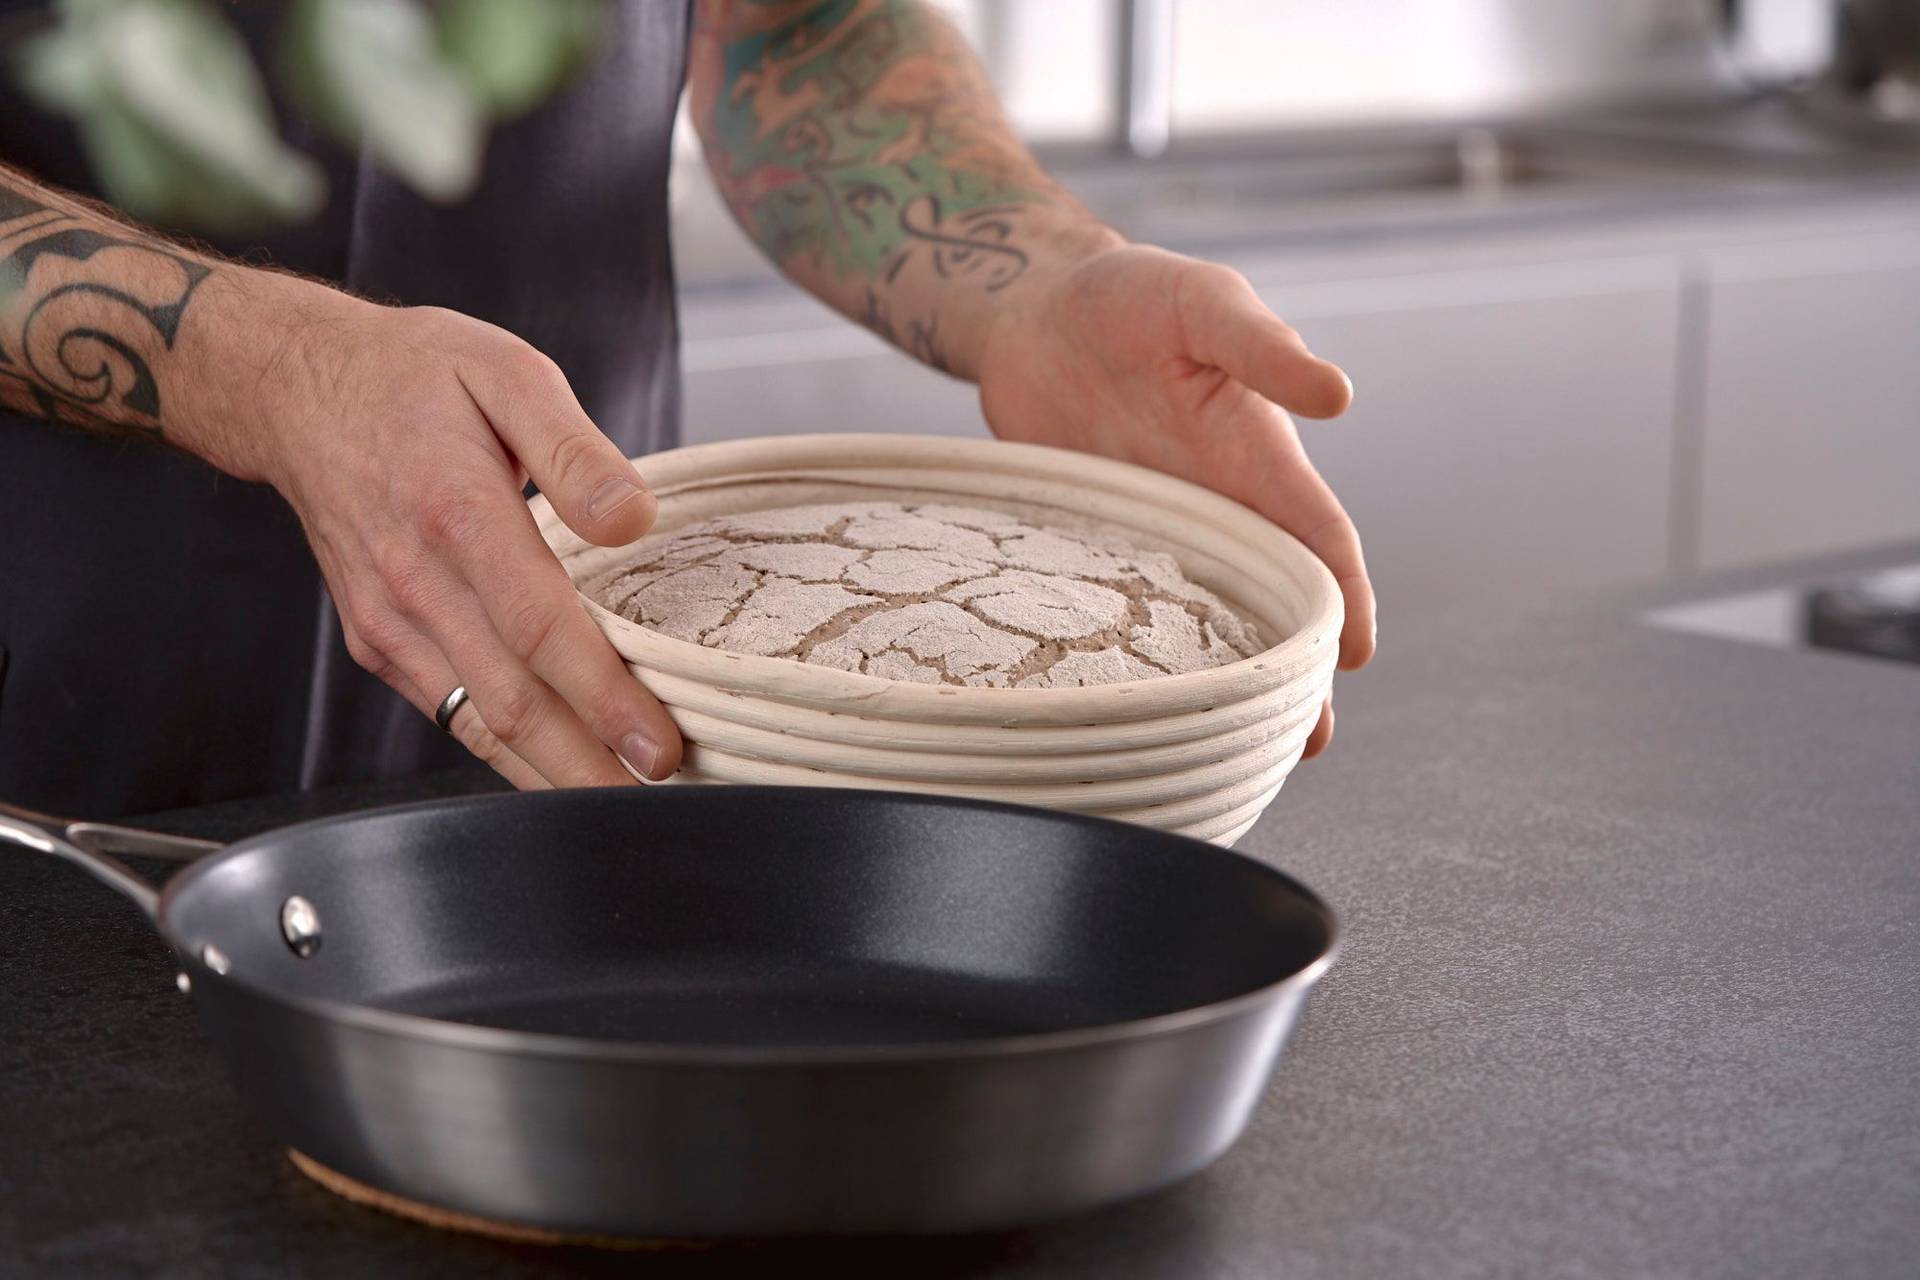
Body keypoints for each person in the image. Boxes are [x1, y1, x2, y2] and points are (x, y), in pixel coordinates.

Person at [0, 0, 1374, 816]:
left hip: (607, 716)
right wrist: (262, 365)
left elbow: (800, 34)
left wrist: (1032, 277)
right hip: (56, 742)